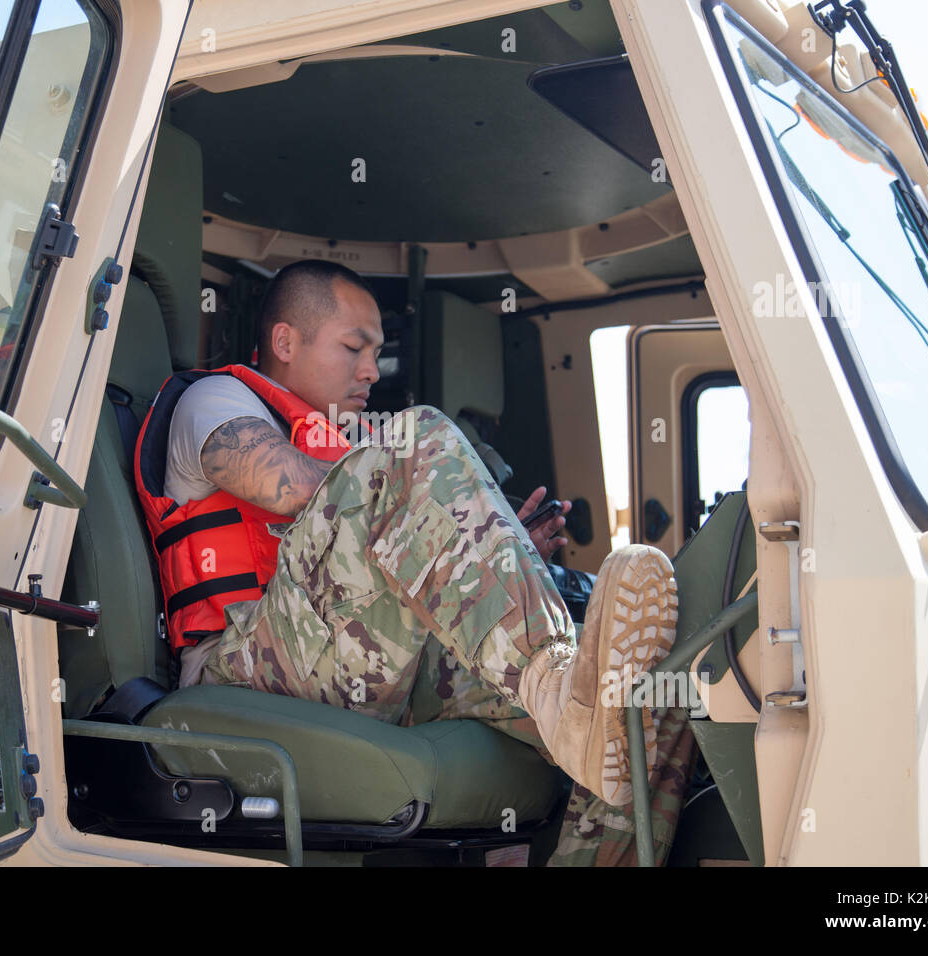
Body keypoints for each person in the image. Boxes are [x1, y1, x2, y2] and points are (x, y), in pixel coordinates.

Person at [133, 259, 695, 865]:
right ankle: (555, 683)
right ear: (285, 341)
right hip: (239, 667)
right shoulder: (215, 400)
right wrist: (432, 513)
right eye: (354, 347)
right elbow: (292, 487)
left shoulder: (353, 449)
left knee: (648, 694)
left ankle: (574, 715)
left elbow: (370, 517)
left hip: (354, 651)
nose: (372, 371)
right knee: (415, 441)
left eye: (376, 351)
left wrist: (488, 549)